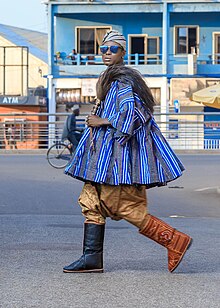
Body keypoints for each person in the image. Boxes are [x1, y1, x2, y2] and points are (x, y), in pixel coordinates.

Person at [63, 30, 192, 274]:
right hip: (104, 158)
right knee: (91, 201)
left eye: (113, 49)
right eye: (103, 49)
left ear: (123, 52)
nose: (107, 53)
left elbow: (133, 114)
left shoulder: (123, 80)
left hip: (117, 159)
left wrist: (101, 121)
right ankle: (92, 258)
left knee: (121, 206)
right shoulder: (112, 78)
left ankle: (174, 240)